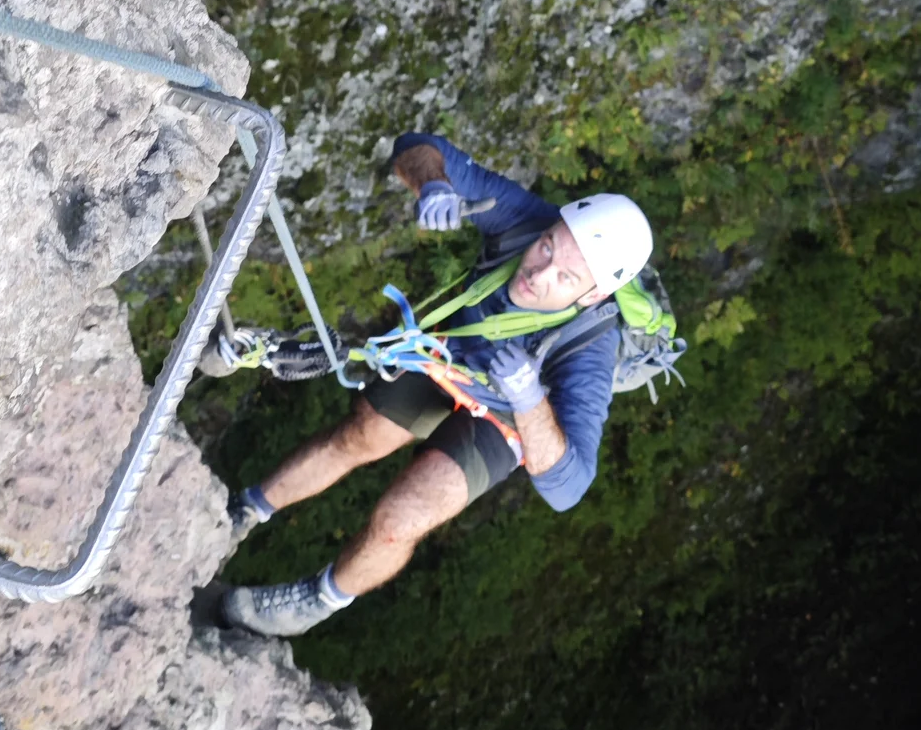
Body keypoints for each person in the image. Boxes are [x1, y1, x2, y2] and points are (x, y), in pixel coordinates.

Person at [211, 130, 653, 637]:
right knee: (359, 435)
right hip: (448, 357)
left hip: (509, 418)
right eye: (548, 248)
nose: (540, 273)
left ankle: (316, 600)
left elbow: (568, 486)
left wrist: (529, 398)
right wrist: (434, 185)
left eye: (566, 279)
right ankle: (244, 511)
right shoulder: (523, 219)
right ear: (550, 226)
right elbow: (417, 147)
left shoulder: (589, 348)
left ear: (594, 297)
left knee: (400, 519)